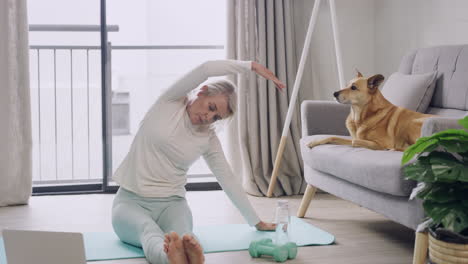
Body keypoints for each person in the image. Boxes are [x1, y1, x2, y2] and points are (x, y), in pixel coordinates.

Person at [111, 59, 286, 264]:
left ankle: (187, 254)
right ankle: (171, 259)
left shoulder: (208, 139)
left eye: (215, 117)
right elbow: (206, 69)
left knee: (184, 235)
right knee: (148, 231)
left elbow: (227, 179)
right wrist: (251, 66)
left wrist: (256, 221)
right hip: (131, 203)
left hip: (172, 205)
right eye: (211, 107)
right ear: (202, 91)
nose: (208, 116)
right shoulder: (170, 102)